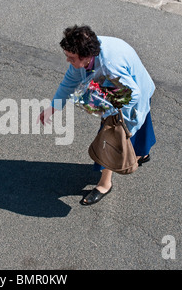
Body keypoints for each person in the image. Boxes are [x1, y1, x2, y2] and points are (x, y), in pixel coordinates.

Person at [37, 25, 156, 206]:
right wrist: (53, 107)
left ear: (86, 57)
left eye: (71, 58)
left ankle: (104, 184)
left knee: (111, 139)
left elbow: (133, 95)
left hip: (130, 95)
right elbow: (69, 82)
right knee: (137, 128)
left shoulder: (110, 66)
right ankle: (142, 153)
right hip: (124, 87)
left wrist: (107, 109)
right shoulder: (85, 50)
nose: (68, 60)